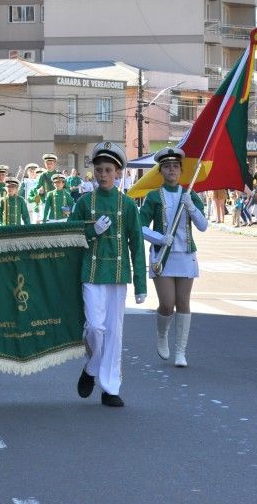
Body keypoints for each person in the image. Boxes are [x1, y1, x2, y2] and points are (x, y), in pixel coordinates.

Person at [68, 142, 146, 407]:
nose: (102, 174)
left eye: (108, 170)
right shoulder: (83, 202)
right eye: (99, 169)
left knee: (114, 332)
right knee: (95, 327)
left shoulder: (127, 204)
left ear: (118, 173)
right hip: (91, 272)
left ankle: (110, 388)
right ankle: (91, 367)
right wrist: (91, 232)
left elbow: (136, 243)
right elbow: (70, 236)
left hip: (117, 273)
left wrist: (141, 284)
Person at [139, 147, 208, 368]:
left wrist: (192, 208)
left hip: (185, 255)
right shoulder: (153, 196)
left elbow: (203, 226)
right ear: (161, 171)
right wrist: (159, 238)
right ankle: (162, 335)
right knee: (167, 304)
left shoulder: (190, 195)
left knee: (183, 302)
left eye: (175, 167)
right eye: (167, 167)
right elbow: (139, 226)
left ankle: (181, 351)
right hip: (163, 255)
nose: (171, 170)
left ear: (181, 170)